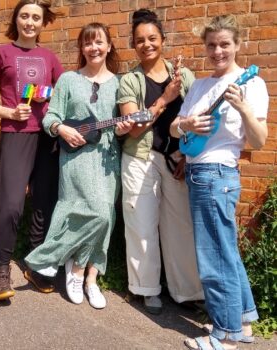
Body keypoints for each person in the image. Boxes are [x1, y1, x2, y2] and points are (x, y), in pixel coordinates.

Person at [170, 15, 268, 350]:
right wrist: (186, 125)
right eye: (211, 45)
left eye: (224, 43)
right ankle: (241, 321)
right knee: (225, 251)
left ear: (238, 44)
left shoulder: (250, 84)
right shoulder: (198, 85)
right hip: (198, 171)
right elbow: (173, 128)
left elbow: (259, 141)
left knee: (213, 255)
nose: (217, 51)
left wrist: (242, 107)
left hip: (217, 175)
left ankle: (224, 334)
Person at [25, 22, 124, 309]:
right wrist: (61, 129)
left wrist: (123, 128)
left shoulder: (119, 83)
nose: (94, 48)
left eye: (99, 42)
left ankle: (87, 275)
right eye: (88, 43)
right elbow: (50, 116)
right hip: (75, 158)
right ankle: (77, 272)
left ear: (108, 46)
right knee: (84, 211)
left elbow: (121, 127)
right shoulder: (68, 80)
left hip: (107, 158)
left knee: (105, 215)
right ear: (82, 48)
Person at [117, 9, 203, 314]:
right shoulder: (130, 80)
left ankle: (187, 291)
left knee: (180, 226)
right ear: (134, 44)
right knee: (141, 224)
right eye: (139, 40)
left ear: (162, 40)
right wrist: (165, 98)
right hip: (140, 158)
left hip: (177, 159)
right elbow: (136, 125)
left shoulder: (185, 75)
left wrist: (188, 155)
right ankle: (146, 288)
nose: (146, 44)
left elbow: (199, 117)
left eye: (152, 38)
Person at [0, 0, 64, 301]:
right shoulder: (0, 53)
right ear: (16, 20)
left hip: (47, 136)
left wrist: (51, 96)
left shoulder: (50, 57)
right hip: (16, 134)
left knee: (44, 203)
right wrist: (8, 112)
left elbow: (61, 95)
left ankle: (36, 263)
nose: (30, 22)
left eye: (36, 18)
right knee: (11, 204)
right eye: (25, 16)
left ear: (43, 24)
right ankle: (1, 268)